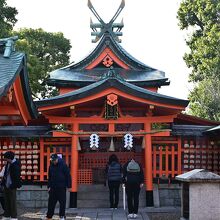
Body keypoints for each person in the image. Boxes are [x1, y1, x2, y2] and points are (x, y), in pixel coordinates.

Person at [46, 154, 71, 220]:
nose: (53, 162)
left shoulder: (63, 165)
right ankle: (49, 216)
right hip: (53, 187)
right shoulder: (51, 166)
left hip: (61, 187)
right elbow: (50, 177)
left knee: (62, 203)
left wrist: (69, 186)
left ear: (57, 159)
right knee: (51, 203)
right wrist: (48, 186)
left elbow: (68, 175)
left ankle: (62, 216)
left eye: (54, 160)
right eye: (52, 160)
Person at [1, 151, 21, 220]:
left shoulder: (16, 165)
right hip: (6, 185)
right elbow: (5, 174)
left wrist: (13, 185)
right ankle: (7, 215)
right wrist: (3, 183)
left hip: (12, 186)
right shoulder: (8, 164)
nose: (5, 160)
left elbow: (17, 177)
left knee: (12, 202)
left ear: (9, 158)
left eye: (5, 158)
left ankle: (14, 216)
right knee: (6, 201)